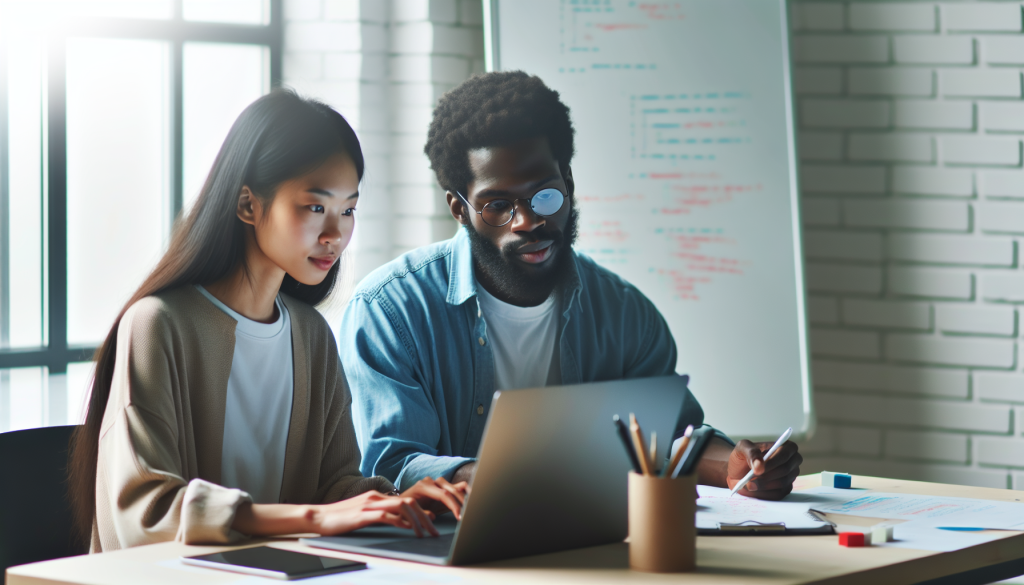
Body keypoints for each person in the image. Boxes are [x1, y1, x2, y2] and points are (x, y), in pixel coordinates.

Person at [339, 71, 802, 499]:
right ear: (459, 209)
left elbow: (669, 441)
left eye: (546, 195)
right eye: (498, 205)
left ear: (569, 182)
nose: (529, 221)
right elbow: (393, 463)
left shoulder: (626, 315)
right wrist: (496, 479)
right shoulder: (391, 312)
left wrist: (734, 468)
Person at [67, 90, 467, 553]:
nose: (335, 234)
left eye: (348, 209)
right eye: (315, 207)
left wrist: (397, 500)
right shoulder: (157, 325)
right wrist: (316, 518)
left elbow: (333, 486)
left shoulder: (311, 336)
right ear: (248, 205)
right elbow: (146, 512)